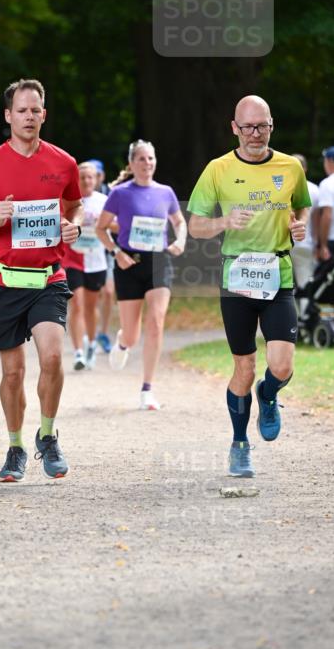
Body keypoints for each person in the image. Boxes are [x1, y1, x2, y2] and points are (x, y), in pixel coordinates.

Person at [187, 95, 311, 479]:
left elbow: (302, 206)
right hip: (237, 280)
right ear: (234, 128)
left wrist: (298, 225)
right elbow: (194, 226)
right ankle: (240, 445)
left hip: (278, 274)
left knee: (282, 364)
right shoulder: (217, 169)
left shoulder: (290, 167)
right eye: (248, 127)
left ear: (272, 125)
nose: (256, 134)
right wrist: (225, 223)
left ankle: (269, 393)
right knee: (244, 367)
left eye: (263, 126)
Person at [0, 78, 82, 482]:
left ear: (44, 115)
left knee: (52, 356)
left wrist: (75, 227)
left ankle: (47, 437)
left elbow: (76, 207)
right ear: (8, 116)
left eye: (35, 110)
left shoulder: (63, 163)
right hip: (4, 281)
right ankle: (15, 446)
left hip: (48, 278)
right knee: (12, 373)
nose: (28, 117)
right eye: (21, 111)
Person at [96, 140, 186, 410]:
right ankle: (124, 342)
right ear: (132, 163)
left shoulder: (166, 192)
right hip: (128, 262)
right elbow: (101, 229)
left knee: (156, 321)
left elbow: (179, 222)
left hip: (158, 261)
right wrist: (116, 253)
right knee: (133, 334)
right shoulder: (121, 194)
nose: (147, 164)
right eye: (142, 159)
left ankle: (147, 388)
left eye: (151, 159)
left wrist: (180, 239)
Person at [62, 162, 108, 370]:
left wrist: (102, 223)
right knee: (77, 304)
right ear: (76, 179)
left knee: (91, 307)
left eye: (91, 177)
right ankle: (78, 352)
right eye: (83, 177)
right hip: (73, 259)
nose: (87, 181)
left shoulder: (103, 201)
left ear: (96, 179)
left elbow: (116, 227)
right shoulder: (69, 201)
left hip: (97, 260)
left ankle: (91, 342)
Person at [88, 157, 115, 354]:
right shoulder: (78, 194)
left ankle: (103, 333)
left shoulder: (110, 195)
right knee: (90, 297)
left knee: (107, 293)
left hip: (107, 251)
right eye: (89, 175)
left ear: (102, 176)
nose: (93, 179)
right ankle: (88, 332)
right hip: (86, 253)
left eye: (96, 175)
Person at [289, 155, 319, 311]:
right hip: (306, 243)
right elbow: (318, 220)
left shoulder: (282, 188)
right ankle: (305, 318)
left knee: (283, 285)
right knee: (305, 282)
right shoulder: (314, 189)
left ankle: (290, 319)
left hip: (283, 243)